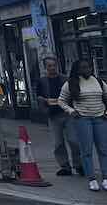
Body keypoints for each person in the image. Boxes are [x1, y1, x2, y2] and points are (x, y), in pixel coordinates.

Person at [60, 58, 107, 192]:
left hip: (100, 118)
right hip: (83, 119)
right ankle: (91, 179)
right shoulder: (71, 83)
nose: (87, 70)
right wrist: (71, 111)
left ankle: (105, 178)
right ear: (78, 70)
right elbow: (61, 101)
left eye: (89, 67)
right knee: (86, 151)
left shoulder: (98, 81)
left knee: (104, 149)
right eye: (83, 68)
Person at [35, 56, 83, 176]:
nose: (52, 68)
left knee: (74, 140)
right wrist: (45, 104)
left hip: (67, 113)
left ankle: (78, 165)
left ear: (57, 66)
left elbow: (75, 93)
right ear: (45, 67)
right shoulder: (42, 81)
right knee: (58, 143)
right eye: (49, 66)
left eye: (54, 65)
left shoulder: (65, 79)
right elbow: (39, 97)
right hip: (53, 115)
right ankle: (65, 166)